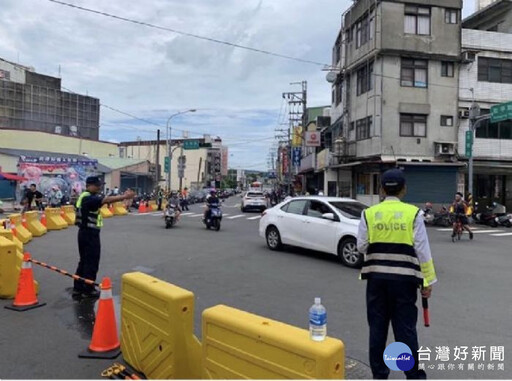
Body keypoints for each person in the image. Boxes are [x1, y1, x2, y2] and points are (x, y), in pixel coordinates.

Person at [357, 168, 437, 379]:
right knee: (405, 331)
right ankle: (413, 375)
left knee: (377, 330)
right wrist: (427, 282)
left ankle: (379, 375)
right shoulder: (413, 214)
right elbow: (423, 251)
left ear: (381, 189)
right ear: (404, 190)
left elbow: (361, 246)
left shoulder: (368, 213)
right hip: (405, 282)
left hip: (376, 281)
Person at [73, 177, 135, 298]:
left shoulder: (84, 197)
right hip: (89, 234)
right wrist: (124, 197)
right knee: (91, 262)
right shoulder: (88, 197)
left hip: (85, 232)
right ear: (89, 185)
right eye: (97, 185)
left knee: (84, 261)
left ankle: (78, 287)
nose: (99, 187)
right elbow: (105, 200)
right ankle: (88, 289)